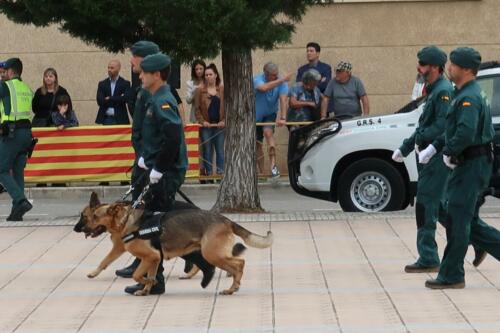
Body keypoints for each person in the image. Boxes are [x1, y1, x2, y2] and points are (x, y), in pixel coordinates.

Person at [424, 47, 500, 289]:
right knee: (457, 215)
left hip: (472, 165)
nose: (450, 68)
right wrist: (437, 147)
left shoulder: (470, 97)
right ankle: (478, 248)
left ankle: (452, 274)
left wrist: (449, 151)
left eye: (454, 65)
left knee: (457, 218)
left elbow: (465, 132)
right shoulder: (463, 92)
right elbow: (452, 129)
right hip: (468, 164)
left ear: (466, 69)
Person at [123, 52, 188, 296]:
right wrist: (146, 158)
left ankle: (155, 280)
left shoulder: (163, 99)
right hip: (155, 166)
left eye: (143, 73)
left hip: (165, 171)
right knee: (152, 223)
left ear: (157, 75)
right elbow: (157, 136)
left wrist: (159, 168)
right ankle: (153, 278)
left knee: (154, 224)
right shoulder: (155, 95)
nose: (139, 75)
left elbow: (172, 137)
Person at [392, 46, 453, 273]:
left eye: (423, 64)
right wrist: (406, 147)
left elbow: (441, 126)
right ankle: (475, 239)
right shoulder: (434, 89)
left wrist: (420, 142)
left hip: (435, 156)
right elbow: (424, 125)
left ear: (435, 67)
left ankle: (428, 257)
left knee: (426, 205)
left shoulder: (443, 91)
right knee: (440, 207)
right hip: (426, 154)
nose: (419, 68)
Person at [0, 58, 34, 221]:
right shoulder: (26, 88)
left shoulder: (5, 86)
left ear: (11, 71)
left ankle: (20, 201)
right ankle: (17, 212)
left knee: (1, 169)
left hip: (12, 133)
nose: (3, 74)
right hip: (26, 134)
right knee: (17, 171)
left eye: (4, 71)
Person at [254, 62, 290, 178]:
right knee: (257, 144)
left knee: (268, 132)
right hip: (255, 115)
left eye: (277, 74)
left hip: (270, 113)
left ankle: (273, 167)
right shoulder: (258, 79)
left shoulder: (281, 82)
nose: (276, 76)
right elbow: (263, 88)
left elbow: (283, 100)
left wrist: (283, 117)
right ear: (266, 74)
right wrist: (282, 80)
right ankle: (261, 173)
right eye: (273, 75)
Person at [195, 63, 225, 177]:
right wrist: (203, 122)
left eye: (210, 74)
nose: (208, 77)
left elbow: (228, 107)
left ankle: (220, 174)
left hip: (220, 125)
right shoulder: (200, 90)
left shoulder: (222, 90)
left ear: (216, 75)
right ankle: (208, 175)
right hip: (206, 126)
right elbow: (197, 109)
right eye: (206, 75)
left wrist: (224, 120)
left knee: (220, 150)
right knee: (207, 150)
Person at [296, 42, 332, 112]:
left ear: (318, 53)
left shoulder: (326, 68)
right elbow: (298, 86)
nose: (308, 53)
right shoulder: (301, 69)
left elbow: (325, 85)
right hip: (305, 105)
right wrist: (319, 81)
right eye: (307, 51)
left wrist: (306, 84)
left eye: (311, 51)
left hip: (321, 105)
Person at [95, 59, 131, 125]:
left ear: (118, 68)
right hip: (106, 119)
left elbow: (126, 98)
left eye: (112, 68)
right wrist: (119, 98)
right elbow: (100, 101)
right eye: (108, 68)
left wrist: (110, 98)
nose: (109, 70)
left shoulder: (125, 83)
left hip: (120, 119)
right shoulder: (102, 84)